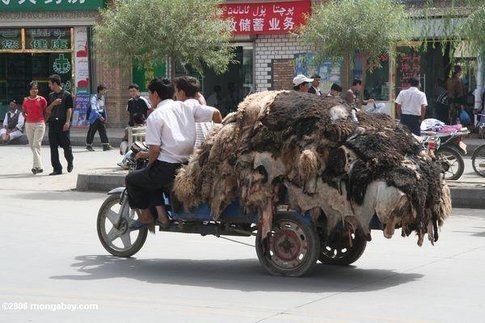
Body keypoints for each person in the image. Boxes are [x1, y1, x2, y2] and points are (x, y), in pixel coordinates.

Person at [126, 78, 222, 230]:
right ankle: (163, 217)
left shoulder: (156, 116)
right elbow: (215, 113)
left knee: (132, 179)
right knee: (150, 178)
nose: (149, 97)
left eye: (150, 94)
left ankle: (145, 217)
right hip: (187, 164)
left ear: (156, 95)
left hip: (167, 167)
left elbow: (155, 150)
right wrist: (220, 135)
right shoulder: (185, 107)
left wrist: (150, 162)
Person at [45, 74, 74, 176]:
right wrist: (53, 104)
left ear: (55, 84)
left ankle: (70, 161)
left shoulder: (67, 95)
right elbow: (47, 110)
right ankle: (57, 168)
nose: (49, 85)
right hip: (52, 123)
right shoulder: (50, 96)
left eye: (50, 83)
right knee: (53, 147)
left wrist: (67, 122)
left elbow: (69, 109)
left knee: (66, 146)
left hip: (63, 123)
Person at [174, 76, 214, 148]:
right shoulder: (203, 110)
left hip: (190, 154)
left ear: (182, 93)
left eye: (176, 91)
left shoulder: (181, 109)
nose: (175, 94)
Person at [22, 82, 47, 174]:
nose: (34, 90)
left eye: (36, 88)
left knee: (36, 144)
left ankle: (39, 166)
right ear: (29, 90)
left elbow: (46, 111)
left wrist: (44, 120)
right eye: (33, 89)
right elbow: (24, 111)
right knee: (32, 145)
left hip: (39, 124)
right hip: (29, 124)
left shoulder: (42, 99)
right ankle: (35, 167)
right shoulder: (25, 100)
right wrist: (26, 117)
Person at [86, 85, 112, 151]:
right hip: (95, 117)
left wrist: (105, 116)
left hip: (100, 116)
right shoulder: (93, 98)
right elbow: (94, 109)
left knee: (103, 131)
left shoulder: (102, 97)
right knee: (92, 131)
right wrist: (99, 116)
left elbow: (103, 108)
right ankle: (89, 145)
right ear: (100, 91)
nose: (105, 91)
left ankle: (105, 145)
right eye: (104, 90)